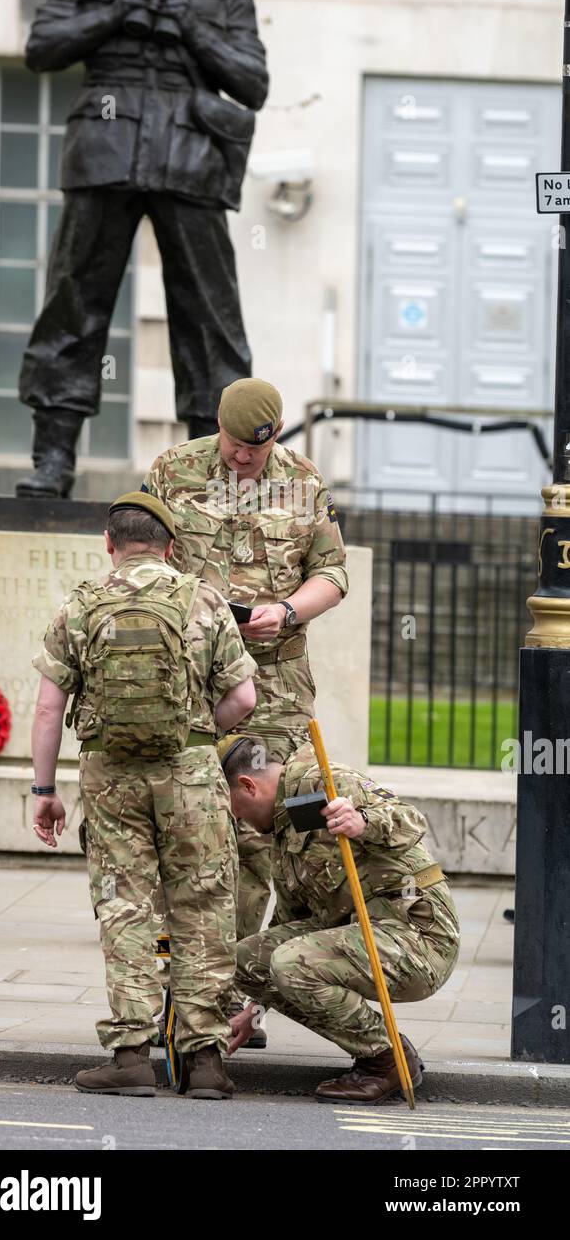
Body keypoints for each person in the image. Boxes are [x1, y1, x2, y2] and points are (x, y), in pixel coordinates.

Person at [16, 0, 269, 498]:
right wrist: (112, 12)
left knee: (209, 314)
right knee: (75, 299)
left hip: (191, 152)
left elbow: (253, 82)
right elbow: (41, 48)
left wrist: (189, 26)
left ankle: (217, 472)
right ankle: (53, 459)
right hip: (107, 143)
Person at [30, 492, 256, 1100]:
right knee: (203, 906)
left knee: (125, 906)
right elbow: (245, 701)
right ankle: (204, 1060)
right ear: (172, 546)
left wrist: (44, 790)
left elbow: (50, 708)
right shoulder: (203, 600)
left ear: (110, 545)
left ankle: (131, 1054)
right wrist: (195, 728)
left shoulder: (80, 604)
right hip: (190, 773)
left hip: (110, 777)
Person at [143, 376, 349, 1024]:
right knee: (188, 833)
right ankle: (180, 991)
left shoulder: (306, 482)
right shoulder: (173, 470)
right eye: (232, 446)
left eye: (252, 453)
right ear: (218, 426)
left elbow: (333, 574)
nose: (239, 460)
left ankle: (230, 996)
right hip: (197, 682)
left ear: (276, 437)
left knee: (260, 839)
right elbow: (145, 554)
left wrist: (286, 611)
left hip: (275, 688)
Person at [219, 734, 460, 1104]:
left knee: (290, 963)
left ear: (248, 785)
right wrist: (254, 1011)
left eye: (234, 809)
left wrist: (362, 821)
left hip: (415, 934)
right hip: (363, 934)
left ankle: (385, 1061)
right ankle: (383, 1048)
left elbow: (413, 821)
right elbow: (289, 921)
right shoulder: (285, 827)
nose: (240, 820)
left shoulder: (326, 783)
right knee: (246, 960)